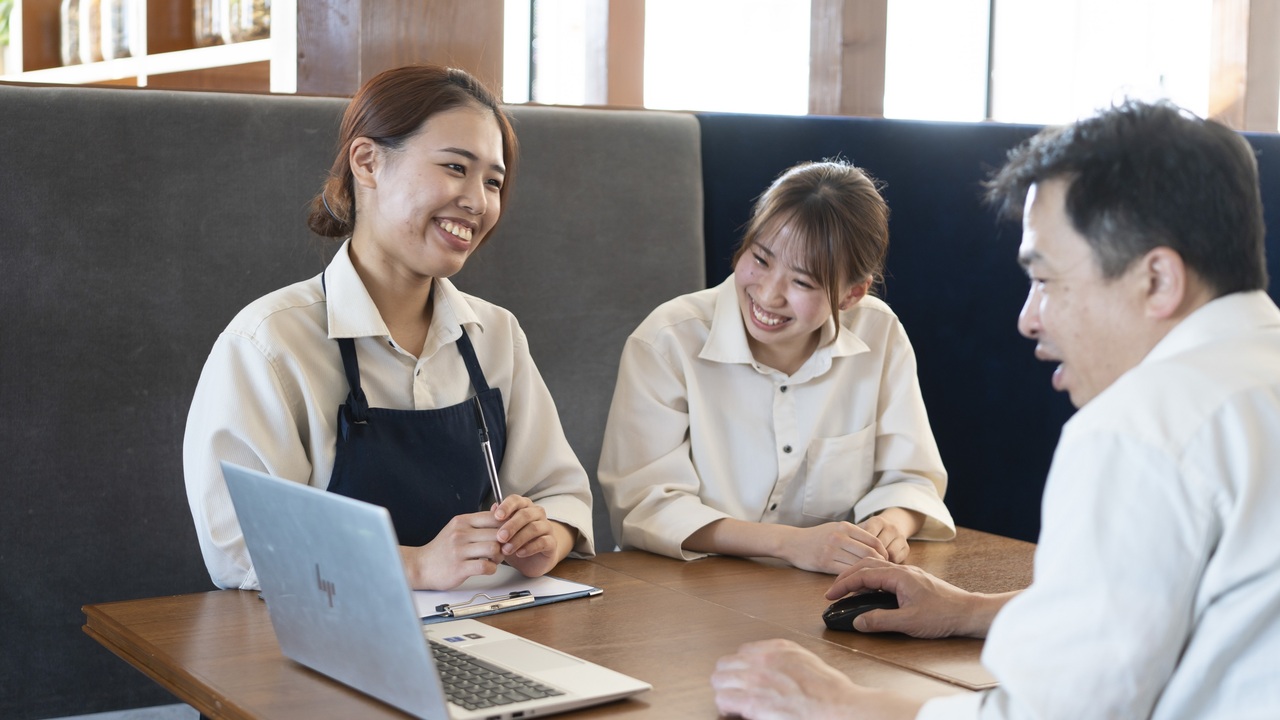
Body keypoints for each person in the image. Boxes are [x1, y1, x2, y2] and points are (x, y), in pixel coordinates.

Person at [711, 99, 1280, 719]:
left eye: (1046, 280)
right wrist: (969, 610)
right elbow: (1150, 608)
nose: (1028, 318)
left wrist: (837, 704)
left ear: (1158, 281)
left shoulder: (1141, 427)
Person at [183, 65, 594, 592]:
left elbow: (559, 493)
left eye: (493, 181)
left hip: (487, 622)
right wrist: (416, 565)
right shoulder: (266, 343)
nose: (478, 201)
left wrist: (544, 537)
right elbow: (241, 544)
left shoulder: (496, 334)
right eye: (455, 167)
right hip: (333, 632)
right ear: (367, 161)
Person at [598, 159, 955, 574]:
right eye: (761, 259)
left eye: (802, 282)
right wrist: (791, 544)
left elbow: (911, 479)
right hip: (685, 585)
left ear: (852, 295)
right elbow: (643, 504)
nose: (768, 295)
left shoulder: (880, 333)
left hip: (826, 589)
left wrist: (890, 525)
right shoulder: (667, 340)